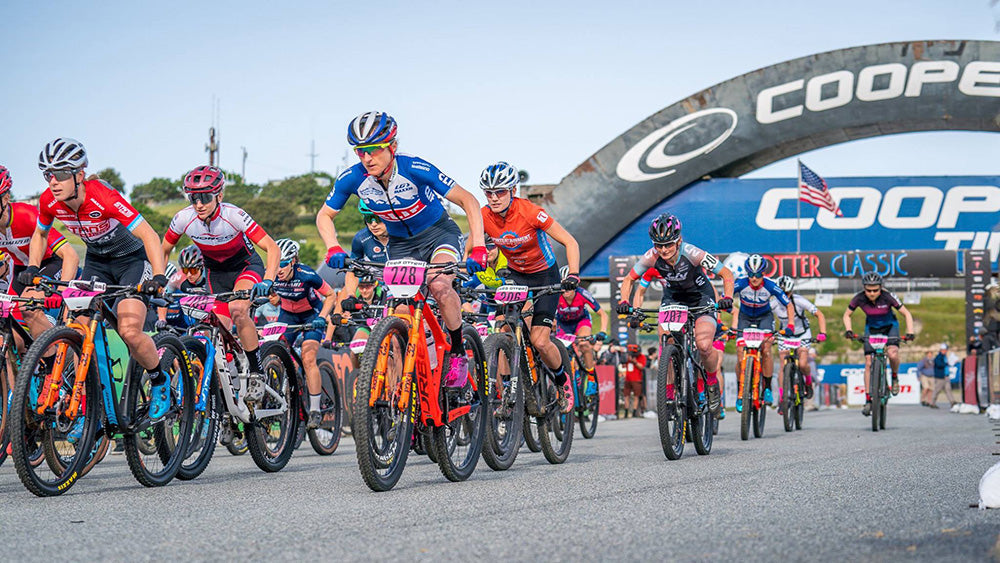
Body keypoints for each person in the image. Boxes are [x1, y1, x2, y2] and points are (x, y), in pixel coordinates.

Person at [317, 111, 488, 392]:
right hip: (401, 244)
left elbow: (468, 200)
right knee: (397, 313)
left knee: (440, 284)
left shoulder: (414, 167)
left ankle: (457, 352)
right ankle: (404, 397)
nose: (366, 158)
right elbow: (325, 216)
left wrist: (479, 246)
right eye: (360, 152)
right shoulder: (353, 178)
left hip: (439, 235)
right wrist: (332, 246)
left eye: (373, 150)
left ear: (392, 147)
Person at [24, 138, 173, 419]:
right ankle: (83, 401)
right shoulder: (48, 201)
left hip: (131, 261)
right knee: (78, 331)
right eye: (48, 175)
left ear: (80, 175)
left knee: (129, 331)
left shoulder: (102, 196)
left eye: (62, 174)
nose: (54, 182)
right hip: (96, 263)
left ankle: (159, 381)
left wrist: (159, 275)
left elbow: (150, 235)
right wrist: (33, 266)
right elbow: (40, 234)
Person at [478, 161, 582, 412]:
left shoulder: (530, 212)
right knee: (504, 328)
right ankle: (508, 391)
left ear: (512, 189)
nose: (494, 198)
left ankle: (561, 380)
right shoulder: (483, 215)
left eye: (500, 191)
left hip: (545, 276)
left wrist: (574, 274)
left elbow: (570, 242)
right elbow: (474, 247)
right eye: (489, 192)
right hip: (516, 277)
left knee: (540, 341)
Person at [161, 165, 280, 384]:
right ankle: (231, 379)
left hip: (245, 267)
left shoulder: (233, 215)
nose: (198, 204)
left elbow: (272, 247)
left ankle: (256, 369)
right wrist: (159, 279)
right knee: (215, 330)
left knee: (237, 309)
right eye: (193, 198)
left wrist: (268, 280)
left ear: (219, 195)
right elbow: (164, 249)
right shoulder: (183, 218)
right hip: (216, 273)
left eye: (205, 197)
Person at [615, 213, 734, 416]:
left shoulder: (693, 253)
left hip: (700, 297)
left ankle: (712, 383)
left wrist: (728, 298)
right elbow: (628, 280)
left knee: (704, 346)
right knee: (667, 344)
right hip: (674, 299)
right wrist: (625, 302)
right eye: (659, 245)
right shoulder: (651, 256)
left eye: (668, 244)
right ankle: (669, 396)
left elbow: (726, 274)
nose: (663, 250)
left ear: (678, 240)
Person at [0, 164, 79, 338]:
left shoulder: (25, 215)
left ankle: (52, 363)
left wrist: (62, 292)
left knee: (29, 307)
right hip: (22, 271)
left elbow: (70, 255)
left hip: (51, 263)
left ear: (5, 198)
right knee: (10, 331)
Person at [271, 239, 337, 429]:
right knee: (275, 353)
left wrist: (323, 317)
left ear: (293, 262)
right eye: (277, 263)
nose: (279, 269)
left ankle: (315, 410)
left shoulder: (307, 274)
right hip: (287, 316)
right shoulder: (272, 274)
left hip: (311, 316)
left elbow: (331, 295)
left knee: (308, 358)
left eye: (283, 264)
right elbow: (275, 300)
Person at [842, 271, 915, 417]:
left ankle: (894, 377)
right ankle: (868, 399)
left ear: (880, 288)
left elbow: (906, 314)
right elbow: (847, 315)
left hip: (890, 327)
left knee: (893, 354)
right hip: (872, 328)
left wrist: (910, 332)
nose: (872, 293)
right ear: (864, 289)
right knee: (868, 362)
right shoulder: (859, 298)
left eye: (875, 290)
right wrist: (849, 330)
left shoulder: (888, 296)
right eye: (868, 290)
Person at [731, 255, 794, 412]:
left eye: (758, 275)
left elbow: (789, 305)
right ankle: (741, 392)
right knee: (740, 353)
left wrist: (791, 324)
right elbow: (724, 294)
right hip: (744, 318)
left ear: (763, 274)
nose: (754, 278)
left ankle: (766, 388)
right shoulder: (740, 283)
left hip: (764, 318)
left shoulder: (771, 286)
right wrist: (724, 305)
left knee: (766, 350)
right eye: (750, 274)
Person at [771, 275, 827, 403]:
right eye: (781, 294)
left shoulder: (799, 301)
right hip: (785, 335)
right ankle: (782, 397)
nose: (784, 297)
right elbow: (766, 317)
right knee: (782, 365)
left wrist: (822, 333)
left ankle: (808, 382)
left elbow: (819, 314)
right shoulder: (773, 303)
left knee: (802, 363)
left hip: (802, 334)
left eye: (787, 293)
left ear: (791, 292)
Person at [555, 266, 609, 377]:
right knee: (560, 350)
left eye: (568, 287)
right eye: (562, 286)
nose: (565, 290)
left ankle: (591, 377)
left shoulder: (582, 294)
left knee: (584, 344)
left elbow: (603, 314)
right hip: (563, 324)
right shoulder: (556, 295)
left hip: (581, 321)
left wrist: (603, 331)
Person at [622, 343, 646, 418]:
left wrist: (634, 361)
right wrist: (626, 359)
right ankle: (626, 411)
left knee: (636, 396)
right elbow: (623, 365)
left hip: (637, 379)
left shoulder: (641, 356)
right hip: (628, 379)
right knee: (626, 395)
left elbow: (641, 367)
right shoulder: (627, 356)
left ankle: (634, 412)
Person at [930, 343, 957, 409]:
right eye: (944, 350)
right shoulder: (938, 357)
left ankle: (952, 402)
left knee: (948, 389)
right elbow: (939, 364)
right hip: (940, 377)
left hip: (946, 376)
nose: (945, 351)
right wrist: (946, 363)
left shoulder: (945, 357)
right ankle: (932, 402)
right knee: (937, 390)